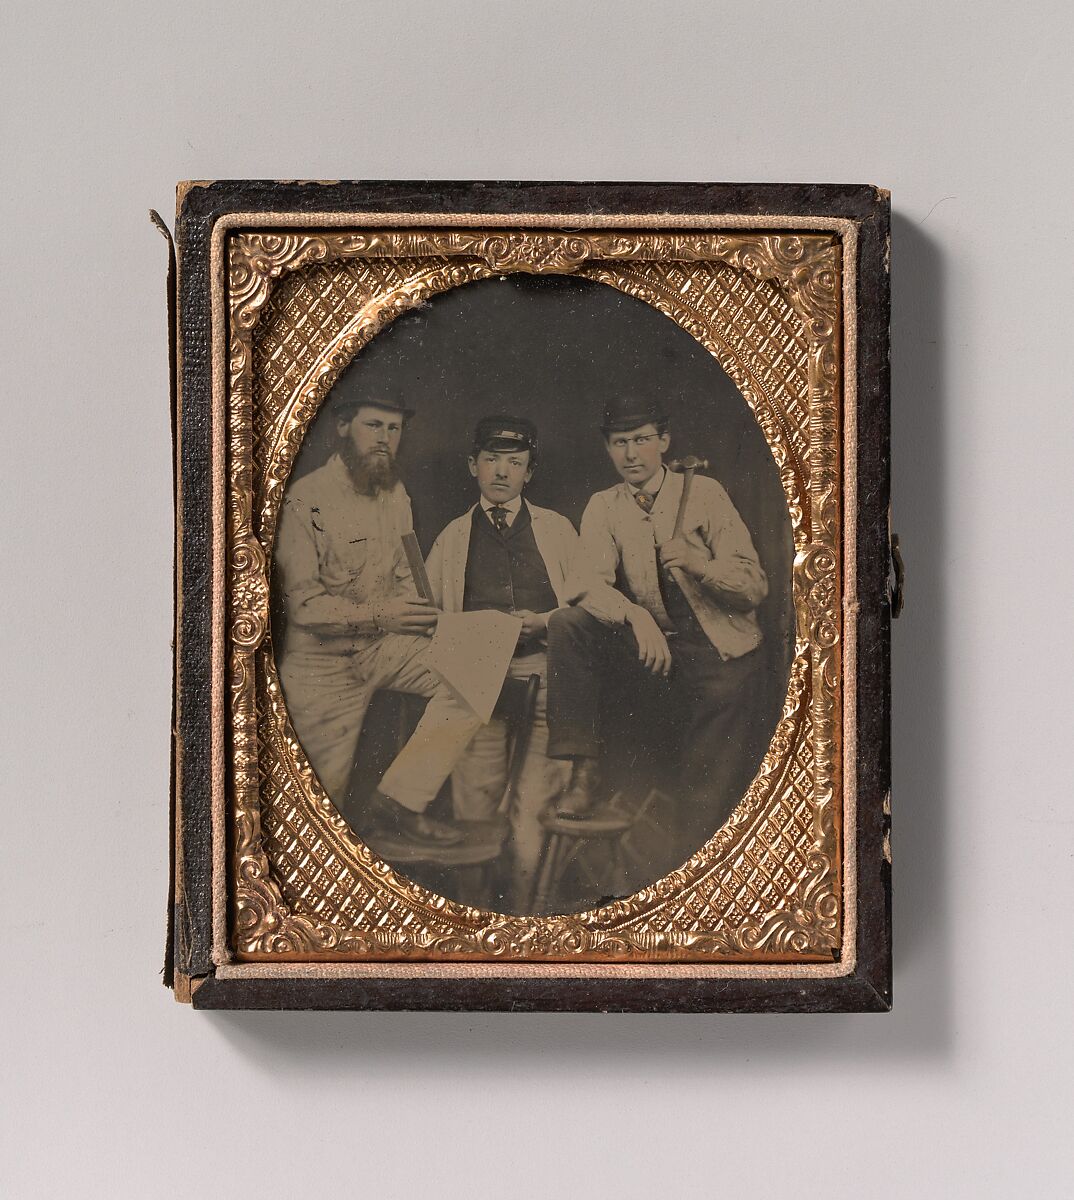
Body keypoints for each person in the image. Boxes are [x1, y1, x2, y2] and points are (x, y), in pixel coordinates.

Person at [546, 394, 768, 845]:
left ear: (664, 441)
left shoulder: (706, 493)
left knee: (703, 792)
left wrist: (699, 564)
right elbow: (584, 584)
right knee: (567, 624)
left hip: (718, 649)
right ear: (607, 448)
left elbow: (753, 586)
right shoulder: (604, 506)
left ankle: (697, 851)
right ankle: (583, 775)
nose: (631, 454)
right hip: (657, 644)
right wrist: (634, 616)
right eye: (619, 442)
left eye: (643, 440)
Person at [273, 377, 484, 850]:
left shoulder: (395, 492)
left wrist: (428, 617)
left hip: (384, 648)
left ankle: (400, 803)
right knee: (316, 813)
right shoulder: (304, 499)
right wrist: (386, 614)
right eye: (373, 425)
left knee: (475, 668)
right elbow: (304, 607)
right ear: (344, 426)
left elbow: (409, 576)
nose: (385, 439)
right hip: (321, 666)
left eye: (394, 428)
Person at [426, 415, 580, 910]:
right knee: (474, 811)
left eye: (514, 463)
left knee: (533, 810)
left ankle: (527, 926)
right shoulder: (451, 539)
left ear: (529, 473)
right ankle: (475, 928)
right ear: (473, 465)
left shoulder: (556, 529)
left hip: (546, 676)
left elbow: (586, 604)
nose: (501, 473)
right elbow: (430, 616)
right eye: (491, 460)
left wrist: (546, 622)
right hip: (477, 686)